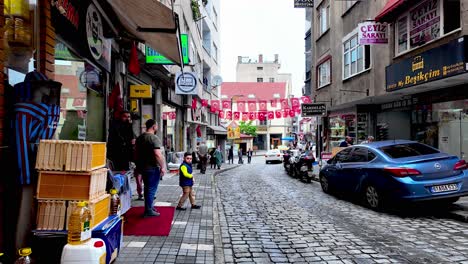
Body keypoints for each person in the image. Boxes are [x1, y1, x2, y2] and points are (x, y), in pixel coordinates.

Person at [135, 119, 166, 217]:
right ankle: (148, 210)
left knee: (147, 188)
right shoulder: (154, 138)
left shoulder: (140, 137)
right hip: (152, 167)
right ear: (154, 126)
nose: (157, 127)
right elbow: (157, 154)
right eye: (156, 126)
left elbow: (135, 152)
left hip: (142, 167)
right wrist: (163, 166)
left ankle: (149, 207)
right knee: (151, 189)